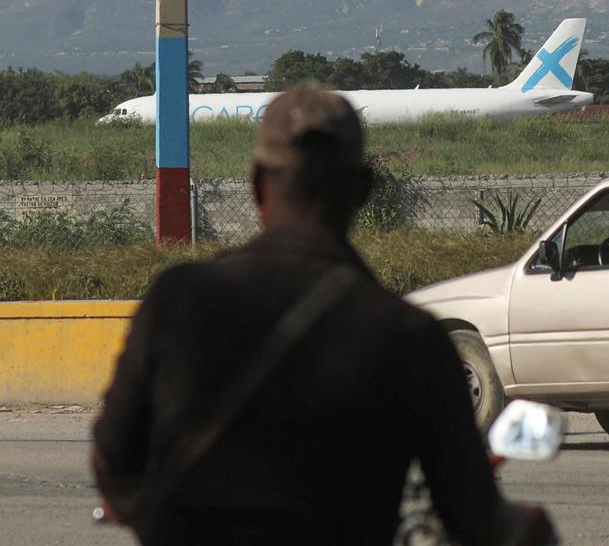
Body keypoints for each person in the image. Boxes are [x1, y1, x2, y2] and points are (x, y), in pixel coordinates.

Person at [92, 86, 534, 546]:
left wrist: (158, 519)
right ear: (363, 189)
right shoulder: (409, 337)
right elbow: (470, 513)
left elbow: (113, 459)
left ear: (256, 184)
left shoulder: (179, 300)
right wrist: (529, 528)